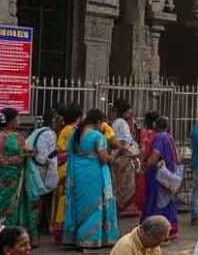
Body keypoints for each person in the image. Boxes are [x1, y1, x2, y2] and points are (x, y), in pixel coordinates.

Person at [62, 108, 120, 249]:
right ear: (99, 122)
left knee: (81, 204)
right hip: (93, 174)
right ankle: (91, 239)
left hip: (78, 175)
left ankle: (78, 238)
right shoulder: (96, 136)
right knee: (95, 206)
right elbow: (103, 158)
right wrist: (113, 157)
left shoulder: (75, 134)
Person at [0, 108, 36, 242]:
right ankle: (1, 235)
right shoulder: (1, 137)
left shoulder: (19, 136)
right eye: (17, 119)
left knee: (20, 204)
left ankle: (18, 235)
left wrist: (29, 152)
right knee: (3, 205)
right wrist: (12, 160)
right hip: (5, 179)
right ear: (9, 121)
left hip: (19, 177)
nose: (19, 121)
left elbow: (24, 150)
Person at [25, 106, 60, 243]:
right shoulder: (49, 133)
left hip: (34, 168)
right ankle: (38, 231)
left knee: (40, 200)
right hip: (40, 170)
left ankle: (44, 226)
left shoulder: (38, 131)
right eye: (57, 119)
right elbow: (44, 157)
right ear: (52, 120)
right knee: (41, 200)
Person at [140, 117, 179, 240]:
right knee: (167, 200)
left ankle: (157, 231)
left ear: (155, 125)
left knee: (157, 201)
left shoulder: (160, 138)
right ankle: (170, 229)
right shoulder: (168, 137)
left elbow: (155, 156)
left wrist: (145, 165)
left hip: (158, 174)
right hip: (168, 172)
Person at [52, 102, 82, 241]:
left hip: (62, 169)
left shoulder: (64, 130)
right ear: (78, 117)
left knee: (62, 201)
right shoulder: (76, 130)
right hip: (72, 168)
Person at [110, 99, 140, 215]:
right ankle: (119, 207)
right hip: (123, 155)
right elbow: (125, 140)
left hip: (120, 154)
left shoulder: (118, 122)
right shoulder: (121, 122)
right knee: (124, 184)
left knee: (120, 183)